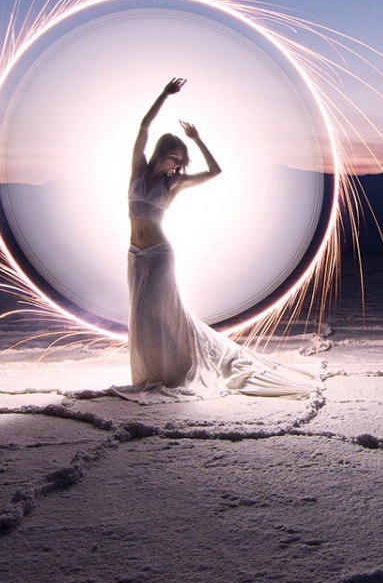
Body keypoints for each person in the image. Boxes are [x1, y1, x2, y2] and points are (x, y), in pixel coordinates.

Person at [127, 78, 320, 397]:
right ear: (161, 152)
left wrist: (197, 139)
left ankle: (175, 370)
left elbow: (215, 171)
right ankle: (151, 371)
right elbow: (144, 126)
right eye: (174, 156)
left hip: (159, 254)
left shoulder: (173, 185)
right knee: (142, 314)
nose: (177, 163)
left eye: (180, 159)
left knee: (160, 310)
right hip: (134, 254)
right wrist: (163, 95)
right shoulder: (137, 171)